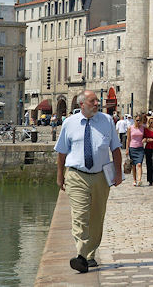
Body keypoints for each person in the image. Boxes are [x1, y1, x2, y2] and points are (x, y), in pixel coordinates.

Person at [54, 90, 122, 273]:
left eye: (97, 101)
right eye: (93, 101)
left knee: (96, 217)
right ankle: (81, 255)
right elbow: (61, 152)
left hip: (100, 175)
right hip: (77, 175)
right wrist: (60, 175)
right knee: (80, 216)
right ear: (81, 104)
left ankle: (89, 255)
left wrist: (118, 173)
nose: (97, 104)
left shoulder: (106, 121)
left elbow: (115, 149)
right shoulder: (69, 123)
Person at [127, 114, 146, 186]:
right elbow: (128, 139)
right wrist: (127, 149)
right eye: (137, 120)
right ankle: (134, 180)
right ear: (134, 120)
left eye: (140, 120)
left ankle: (139, 179)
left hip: (140, 148)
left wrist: (145, 139)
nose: (138, 122)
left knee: (139, 164)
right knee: (134, 165)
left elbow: (146, 135)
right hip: (132, 148)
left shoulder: (143, 128)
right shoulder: (130, 128)